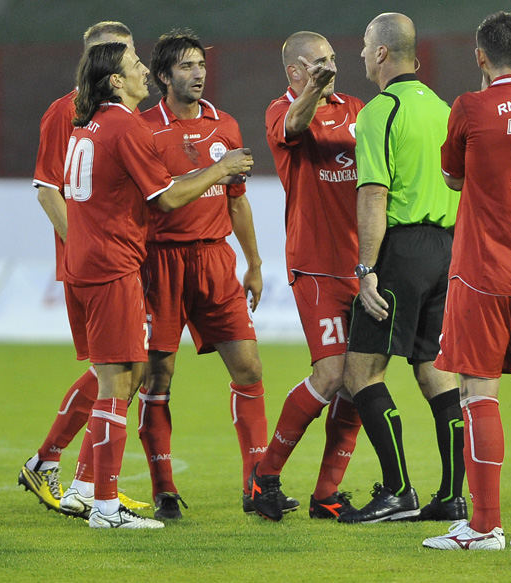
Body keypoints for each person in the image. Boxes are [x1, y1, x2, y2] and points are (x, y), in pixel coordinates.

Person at [61, 41, 253, 529]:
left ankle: (85, 488)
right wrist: (220, 168)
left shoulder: (88, 123)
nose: (143, 70)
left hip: (90, 261)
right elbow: (165, 199)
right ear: (115, 82)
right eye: (134, 67)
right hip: (118, 265)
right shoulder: (127, 125)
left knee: (123, 378)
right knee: (121, 381)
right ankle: (105, 505)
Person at [134, 29, 297, 520]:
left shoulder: (224, 125)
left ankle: (257, 485)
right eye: (185, 66)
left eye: (200, 64)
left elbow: (237, 199)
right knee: (157, 378)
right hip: (159, 263)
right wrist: (216, 170)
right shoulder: (144, 130)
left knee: (249, 369)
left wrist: (254, 262)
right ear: (163, 76)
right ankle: (164, 488)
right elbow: (163, 198)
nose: (198, 73)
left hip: (215, 261)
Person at [422, 12, 511, 551]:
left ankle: (483, 528)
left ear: (480, 57)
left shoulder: (470, 105)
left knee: (476, 392)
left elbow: (453, 178)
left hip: (484, 275)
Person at [337, 13, 466, 524]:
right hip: (447, 249)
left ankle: (397, 491)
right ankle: (452, 496)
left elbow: (373, 194)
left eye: (367, 46)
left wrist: (366, 267)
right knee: (436, 372)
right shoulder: (444, 109)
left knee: (360, 371)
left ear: (384, 53)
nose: (362, 54)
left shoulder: (378, 112)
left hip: (403, 250)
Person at [21, 21, 147, 516]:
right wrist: (88, 244)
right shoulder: (65, 112)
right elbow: (46, 186)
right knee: (116, 372)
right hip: (99, 261)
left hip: (124, 256)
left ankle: (76, 477)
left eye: (130, 52)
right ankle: (75, 477)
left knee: (122, 372)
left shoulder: (125, 114)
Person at [249, 31, 364, 522]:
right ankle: (264, 475)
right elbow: (295, 126)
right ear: (294, 71)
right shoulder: (282, 108)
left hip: (364, 265)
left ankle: (326, 494)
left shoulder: (357, 107)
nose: (329, 66)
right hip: (315, 265)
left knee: (363, 379)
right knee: (332, 372)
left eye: (333, 58)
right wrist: (312, 92)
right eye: (318, 61)